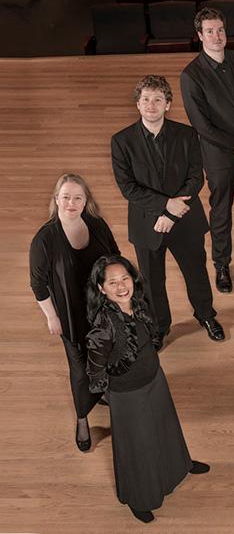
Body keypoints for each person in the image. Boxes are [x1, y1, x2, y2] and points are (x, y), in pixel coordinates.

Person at [85, 255, 210, 523]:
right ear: (101, 288)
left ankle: (180, 468)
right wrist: (116, 399)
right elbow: (95, 374)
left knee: (166, 428)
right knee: (138, 447)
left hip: (154, 379)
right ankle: (138, 497)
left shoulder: (138, 304)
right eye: (112, 282)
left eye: (125, 279)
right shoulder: (103, 326)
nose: (121, 287)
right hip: (127, 394)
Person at [110, 75, 224, 342]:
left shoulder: (186, 135)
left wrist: (172, 213)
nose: (151, 104)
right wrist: (164, 206)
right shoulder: (122, 141)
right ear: (137, 104)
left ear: (167, 104)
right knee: (151, 281)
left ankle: (206, 315)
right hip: (147, 222)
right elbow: (128, 187)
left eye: (157, 99)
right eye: (146, 99)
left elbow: (196, 178)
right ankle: (160, 327)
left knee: (196, 273)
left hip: (185, 219)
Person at [29, 174, 119, 452]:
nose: (71, 202)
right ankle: (82, 418)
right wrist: (51, 317)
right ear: (56, 199)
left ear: (85, 201)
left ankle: (107, 393)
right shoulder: (45, 239)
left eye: (78, 197)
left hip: (104, 309)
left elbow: (115, 258)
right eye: (66, 197)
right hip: (71, 316)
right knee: (80, 371)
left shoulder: (97, 224)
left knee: (110, 356)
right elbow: (38, 283)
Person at [181, 7, 234, 293]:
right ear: (199, 36)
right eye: (209, 31)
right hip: (220, 156)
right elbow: (201, 125)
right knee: (221, 212)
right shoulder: (191, 75)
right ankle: (221, 265)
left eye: (220, 30)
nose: (217, 36)